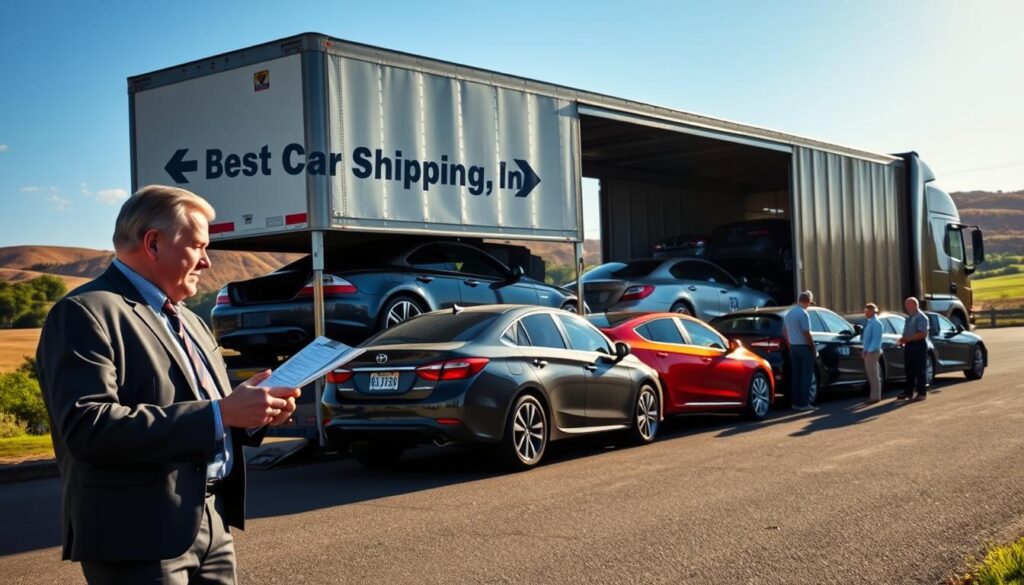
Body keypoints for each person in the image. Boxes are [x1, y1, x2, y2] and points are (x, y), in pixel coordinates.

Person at [36, 185, 301, 585]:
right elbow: (88, 428)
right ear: (154, 244)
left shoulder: (190, 321)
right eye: (198, 246)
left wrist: (254, 413)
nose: (208, 262)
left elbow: (212, 414)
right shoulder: (83, 313)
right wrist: (221, 412)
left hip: (210, 523)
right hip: (136, 537)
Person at [783, 290, 818, 411]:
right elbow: (806, 332)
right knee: (806, 377)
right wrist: (812, 347)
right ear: (807, 302)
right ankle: (804, 404)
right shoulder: (803, 314)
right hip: (804, 347)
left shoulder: (789, 313)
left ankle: (795, 403)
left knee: (796, 376)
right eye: (809, 303)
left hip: (793, 347)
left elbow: (785, 331)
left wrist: (789, 345)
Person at [898, 296, 930, 402]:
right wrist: (903, 340)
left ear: (914, 305)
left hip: (918, 345)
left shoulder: (921, 317)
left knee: (920, 370)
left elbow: (923, 333)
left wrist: (908, 339)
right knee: (909, 370)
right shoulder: (909, 317)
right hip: (909, 345)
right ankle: (909, 391)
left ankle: (922, 393)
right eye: (905, 305)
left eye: (908, 305)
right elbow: (907, 331)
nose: (906, 307)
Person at [861, 303, 884, 404]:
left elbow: (876, 340)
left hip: (873, 352)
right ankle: (874, 395)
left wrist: (868, 351)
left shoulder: (876, 323)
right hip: (869, 351)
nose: (865, 313)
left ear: (872, 311)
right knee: (871, 374)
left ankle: (875, 396)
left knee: (873, 374)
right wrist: (864, 350)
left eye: (866, 311)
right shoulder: (870, 322)